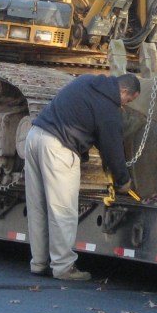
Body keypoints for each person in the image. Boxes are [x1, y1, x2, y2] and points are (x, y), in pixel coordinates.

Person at [24, 73, 140, 281]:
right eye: (128, 100)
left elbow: (82, 119)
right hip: (58, 147)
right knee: (63, 210)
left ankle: (39, 263)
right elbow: (113, 150)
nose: (125, 105)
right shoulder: (109, 109)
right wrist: (123, 180)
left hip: (34, 136)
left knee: (38, 206)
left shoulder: (86, 81)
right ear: (123, 91)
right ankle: (63, 267)